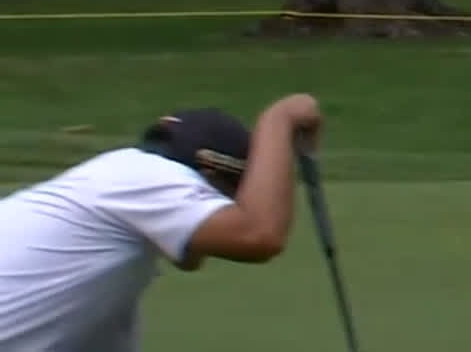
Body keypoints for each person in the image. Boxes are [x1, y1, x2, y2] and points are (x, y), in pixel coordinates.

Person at [0, 93, 324, 351]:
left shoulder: (106, 259)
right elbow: (258, 235)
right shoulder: (147, 176)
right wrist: (278, 119)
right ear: (208, 174)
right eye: (226, 199)